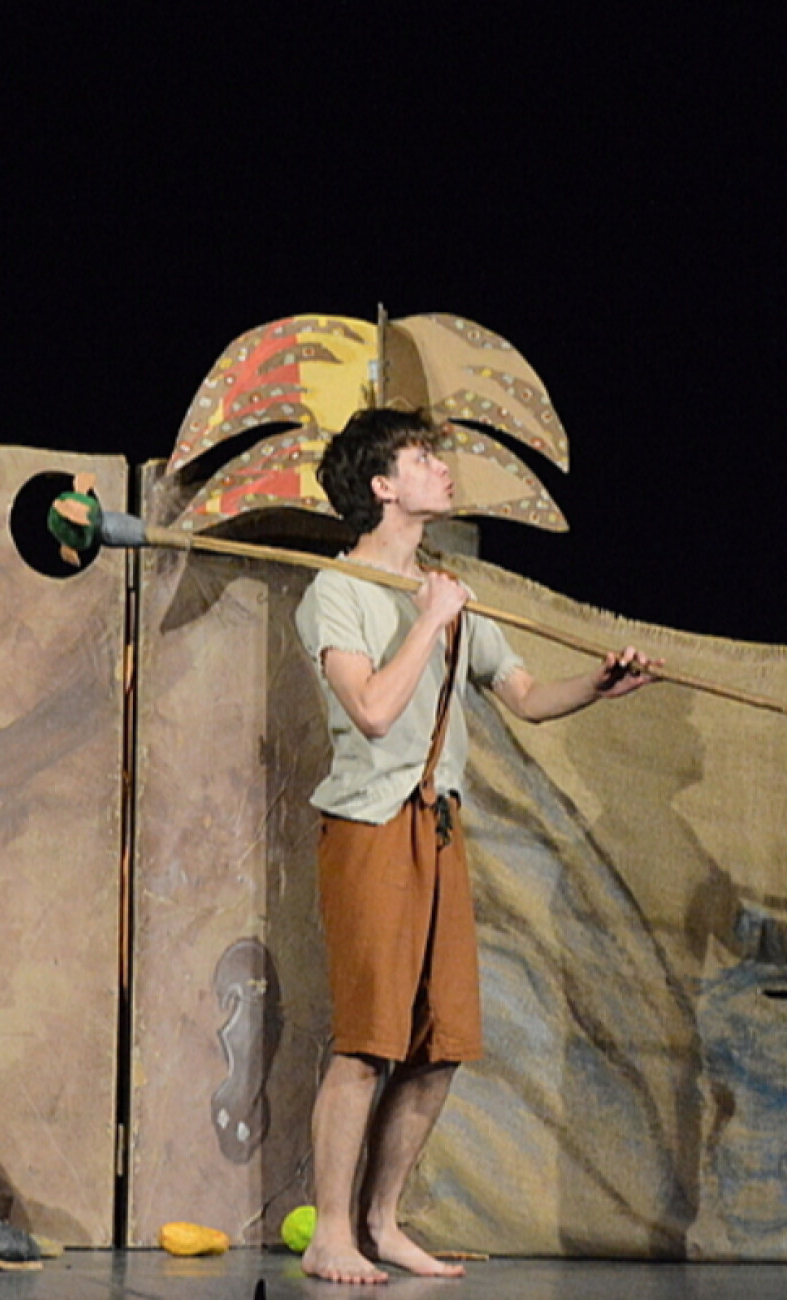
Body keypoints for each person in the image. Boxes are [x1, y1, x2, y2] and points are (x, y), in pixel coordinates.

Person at [294, 407, 658, 1284]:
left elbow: (524, 695)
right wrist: (428, 620)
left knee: (439, 1045)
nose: (443, 469)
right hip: (371, 827)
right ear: (383, 485)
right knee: (367, 1042)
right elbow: (373, 711)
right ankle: (330, 1232)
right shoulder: (336, 591)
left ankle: (382, 1221)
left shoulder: (447, 590)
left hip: (439, 826)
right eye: (424, 458)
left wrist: (597, 685)